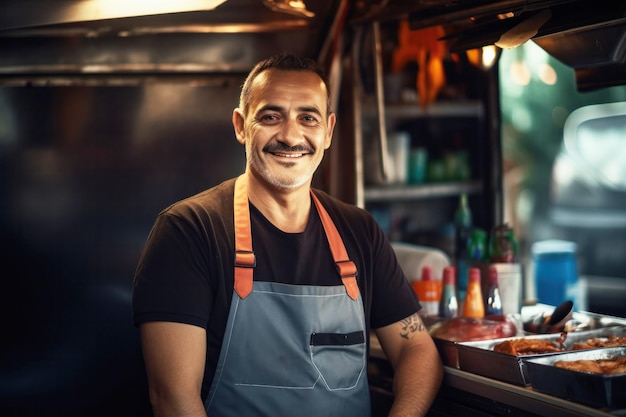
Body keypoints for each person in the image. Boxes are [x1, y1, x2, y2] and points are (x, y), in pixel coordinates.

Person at [132, 52, 443, 417]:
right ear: (240, 125)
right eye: (270, 116)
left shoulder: (359, 231)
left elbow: (416, 350)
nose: (291, 135)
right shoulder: (189, 231)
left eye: (307, 118)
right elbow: (172, 398)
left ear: (327, 131)